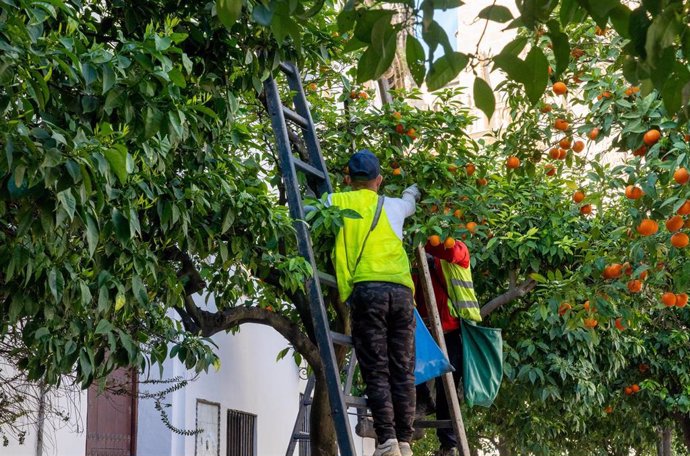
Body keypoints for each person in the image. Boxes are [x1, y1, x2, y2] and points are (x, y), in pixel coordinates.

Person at [328, 149, 421, 456]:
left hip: (368, 291)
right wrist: (413, 188)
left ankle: (387, 441)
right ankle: (404, 441)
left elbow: (314, 205)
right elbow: (410, 202)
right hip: (402, 293)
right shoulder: (393, 206)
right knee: (403, 369)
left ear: (347, 179)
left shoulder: (340, 201)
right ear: (379, 180)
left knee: (376, 368)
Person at [413, 238, 482, 456]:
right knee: (411, 370)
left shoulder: (457, 250)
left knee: (447, 389)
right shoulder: (415, 264)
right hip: (426, 331)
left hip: (452, 332)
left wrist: (426, 237)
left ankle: (448, 444)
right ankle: (422, 400)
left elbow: (451, 252)